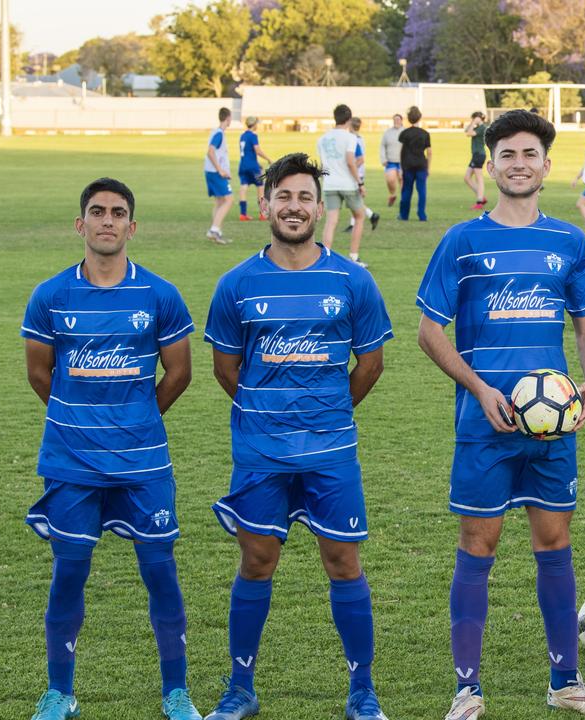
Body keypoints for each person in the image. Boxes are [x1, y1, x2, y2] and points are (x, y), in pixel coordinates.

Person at [416, 109, 585, 720]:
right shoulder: (463, 240)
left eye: (530, 153)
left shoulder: (567, 240)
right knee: (479, 543)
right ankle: (467, 690)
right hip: (486, 425)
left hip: (552, 428)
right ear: (492, 165)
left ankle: (566, 681)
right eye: (507, 154)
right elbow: (429, 332)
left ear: (547, 165)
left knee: (554, 542)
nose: (519, 163)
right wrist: (479, 389)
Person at [202, 153, 394, 720]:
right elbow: (225, 368)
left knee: (343, 563)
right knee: (256, 562)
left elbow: (371, 364)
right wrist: (270, 414)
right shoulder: (236, 283)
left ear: (319, 205)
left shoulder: (353, 280)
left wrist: (327, 411)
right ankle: (240, 689)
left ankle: (362, 693)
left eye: (304, 197)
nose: (293, 206)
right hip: (261, 453)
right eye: (282, 196)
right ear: (265, 204)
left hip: (331, 452)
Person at [21, 178, 201, 720]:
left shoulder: (159, 294)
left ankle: (176, 693)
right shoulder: (51, 295)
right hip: (72, 463)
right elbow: (39, 373)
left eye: (117, 213)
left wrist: (136, 419)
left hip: (143, 462)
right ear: (81, 225)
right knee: (69, 573)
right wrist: (82, 421)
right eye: (96, 212)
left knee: (160, 571)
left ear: (131, 226)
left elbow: (180, 372)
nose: (107, 221)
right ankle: (60, 692)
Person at [316, 104, 368, 267]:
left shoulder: (322, 139)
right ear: (349, 119)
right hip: (348, 184)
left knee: (331, 221)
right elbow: (350, 162)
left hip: (330, 183)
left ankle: (325, 258)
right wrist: (360, 182)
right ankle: (353, 256)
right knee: (359, 216)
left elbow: (323, 164)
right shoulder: (350, 138)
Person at [345, 117, 381, 234]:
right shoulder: (360, 138)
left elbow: (360, 159)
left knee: (354, 199)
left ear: (350, 126)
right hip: (358, 171)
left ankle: (368, 216)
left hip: (355, 172)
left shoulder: (353, 139)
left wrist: (351, 169)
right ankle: (365, 218)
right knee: (355, 199)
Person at [397, 105, 431, 222]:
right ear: (419, 118)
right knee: (422, 191)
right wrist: (428, 167)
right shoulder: (425, 133)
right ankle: (422, 215)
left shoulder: (404, 133)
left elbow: (401, 152)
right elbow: (429, 152)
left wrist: (401, 167)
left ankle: (404, 215)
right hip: (421, 165)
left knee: (406, 190)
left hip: (408, 165)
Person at [206, 107, 234, 244]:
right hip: (216, 173)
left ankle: (216, 234)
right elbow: (210, 152)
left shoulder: (216, 132)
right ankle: (214, 230)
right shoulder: (219, 134)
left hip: (210, 172)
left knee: (219, 201)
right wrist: (221, 170)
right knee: (229, 200)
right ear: (228, 118)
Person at [238, 116, 272, 222]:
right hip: (253, 167)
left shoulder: (242, 135)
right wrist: (268, 159)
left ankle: (243, 214)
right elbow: (257, 150)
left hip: (243, 165)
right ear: (254, 124)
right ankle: (262, 214)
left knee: (243, 187)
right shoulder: (253, 136)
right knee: (260, 188)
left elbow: (248, 153)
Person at [464, 111, 489, 210]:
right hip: (475, 155)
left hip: (479, 155)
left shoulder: (482, 128)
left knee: (479, 178)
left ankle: (479, 201)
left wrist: (474, 123)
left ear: (480, 118)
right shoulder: (477, 127)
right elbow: (466, 131)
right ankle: (481, 196)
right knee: (467, 177)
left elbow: (469, 133)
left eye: (475, 118)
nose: (473, 120)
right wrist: (473, 123)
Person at [379, 114, 404, 207]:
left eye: (398, 119)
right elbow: (382, 146)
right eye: (395, 120)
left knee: (402, 180)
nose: (396, 121)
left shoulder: (405, 132)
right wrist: (383, 158)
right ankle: (393, 194)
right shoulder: (387, 133)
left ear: (402, 121)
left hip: (403, 161)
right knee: (390, 180)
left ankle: (403, 200)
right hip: (390, 161)